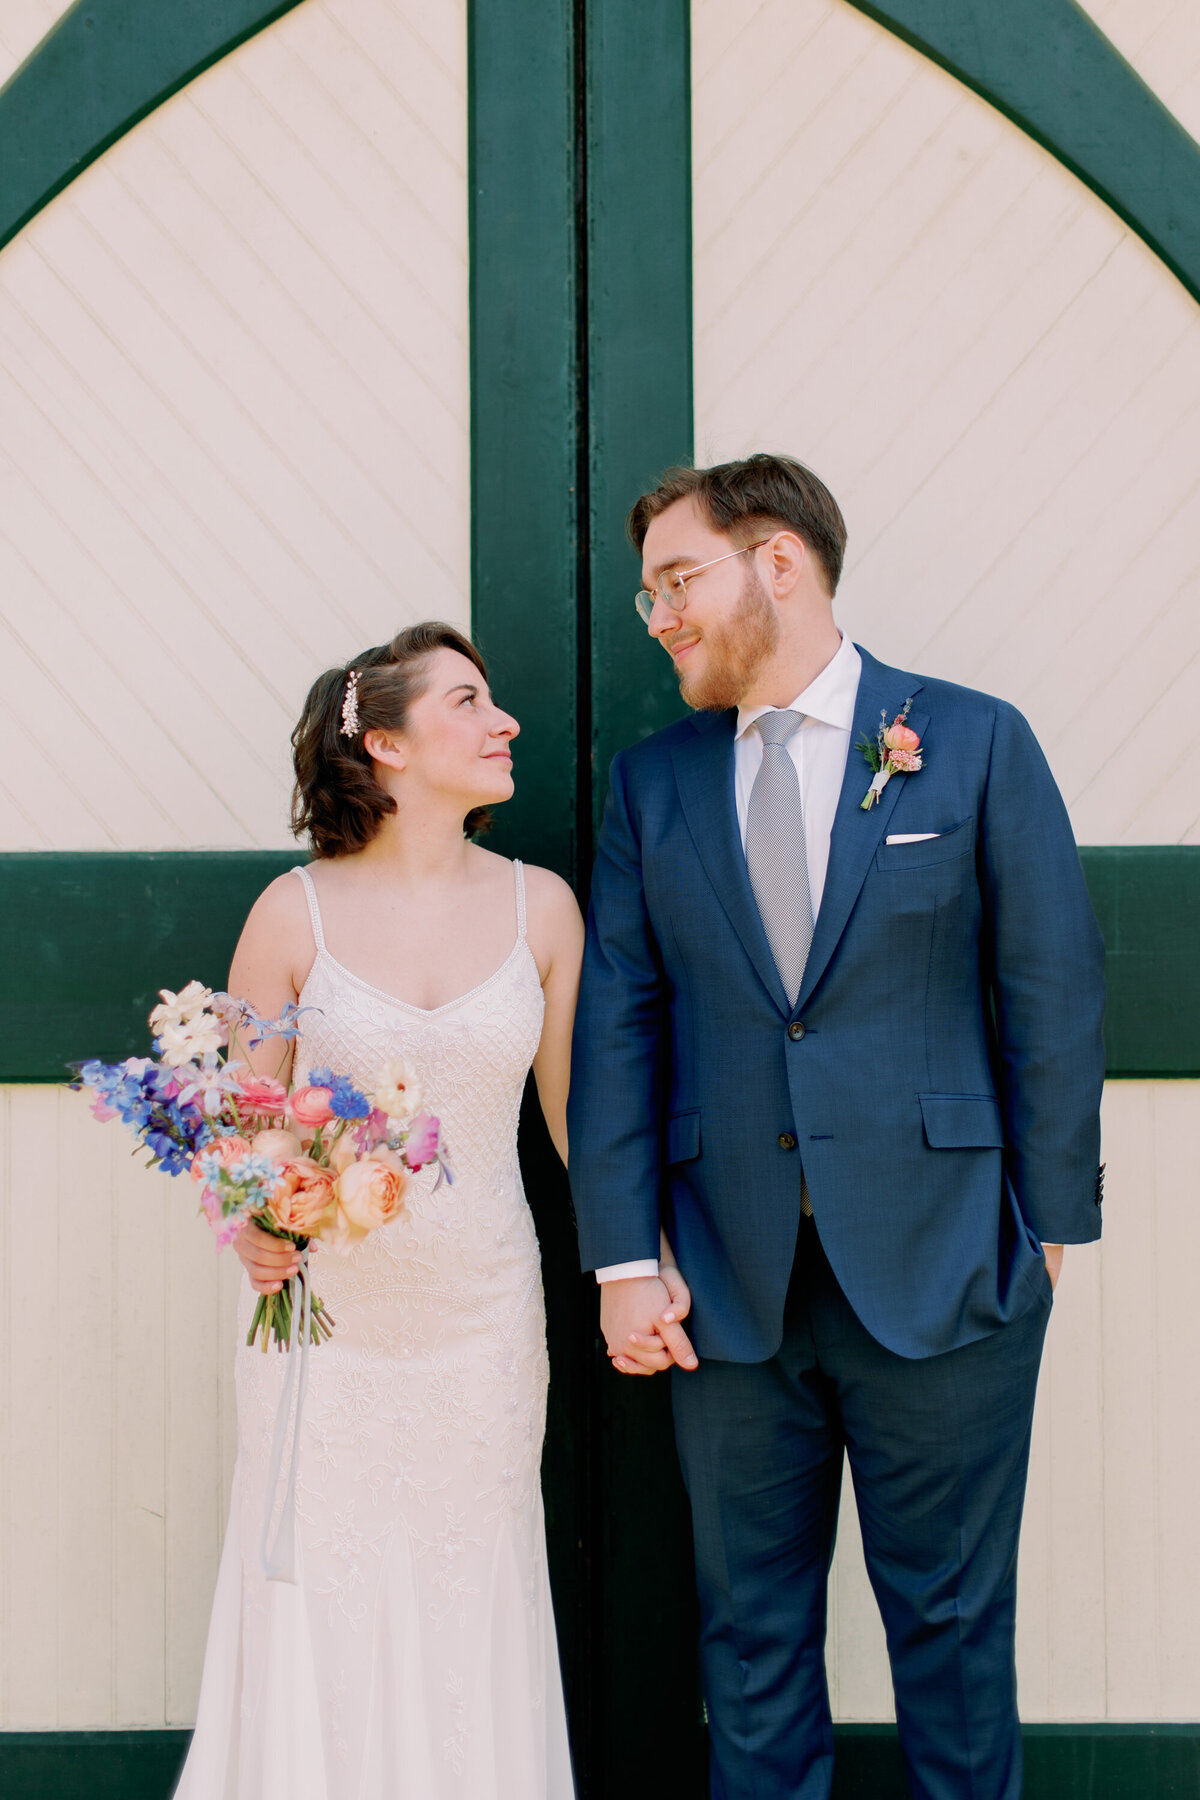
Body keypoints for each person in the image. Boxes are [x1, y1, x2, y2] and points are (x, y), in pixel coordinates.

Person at [566, 456, 1106, 1800]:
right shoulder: (655, 785)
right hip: (725, 1285)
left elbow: (1052, 986)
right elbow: (622, 1027)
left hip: (950, 1268)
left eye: (678, 580)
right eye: (649, 598)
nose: (662, 616)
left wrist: (1048, 1229)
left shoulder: (972, 740)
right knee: (749, 1646)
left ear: (781, 560)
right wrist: (623, 1256)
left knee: (953, 1633)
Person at [176, 622, 595, 1800]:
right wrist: (256, 1210)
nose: (502, 722)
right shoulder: (291, 914)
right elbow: (247, 1123)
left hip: (481, 1318)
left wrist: (641, 1262)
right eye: (469, 702)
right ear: (389, 746)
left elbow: (577, 1131)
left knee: (475, 1579)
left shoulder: (543, 912)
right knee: (321, 1579)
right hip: (330, 1324)